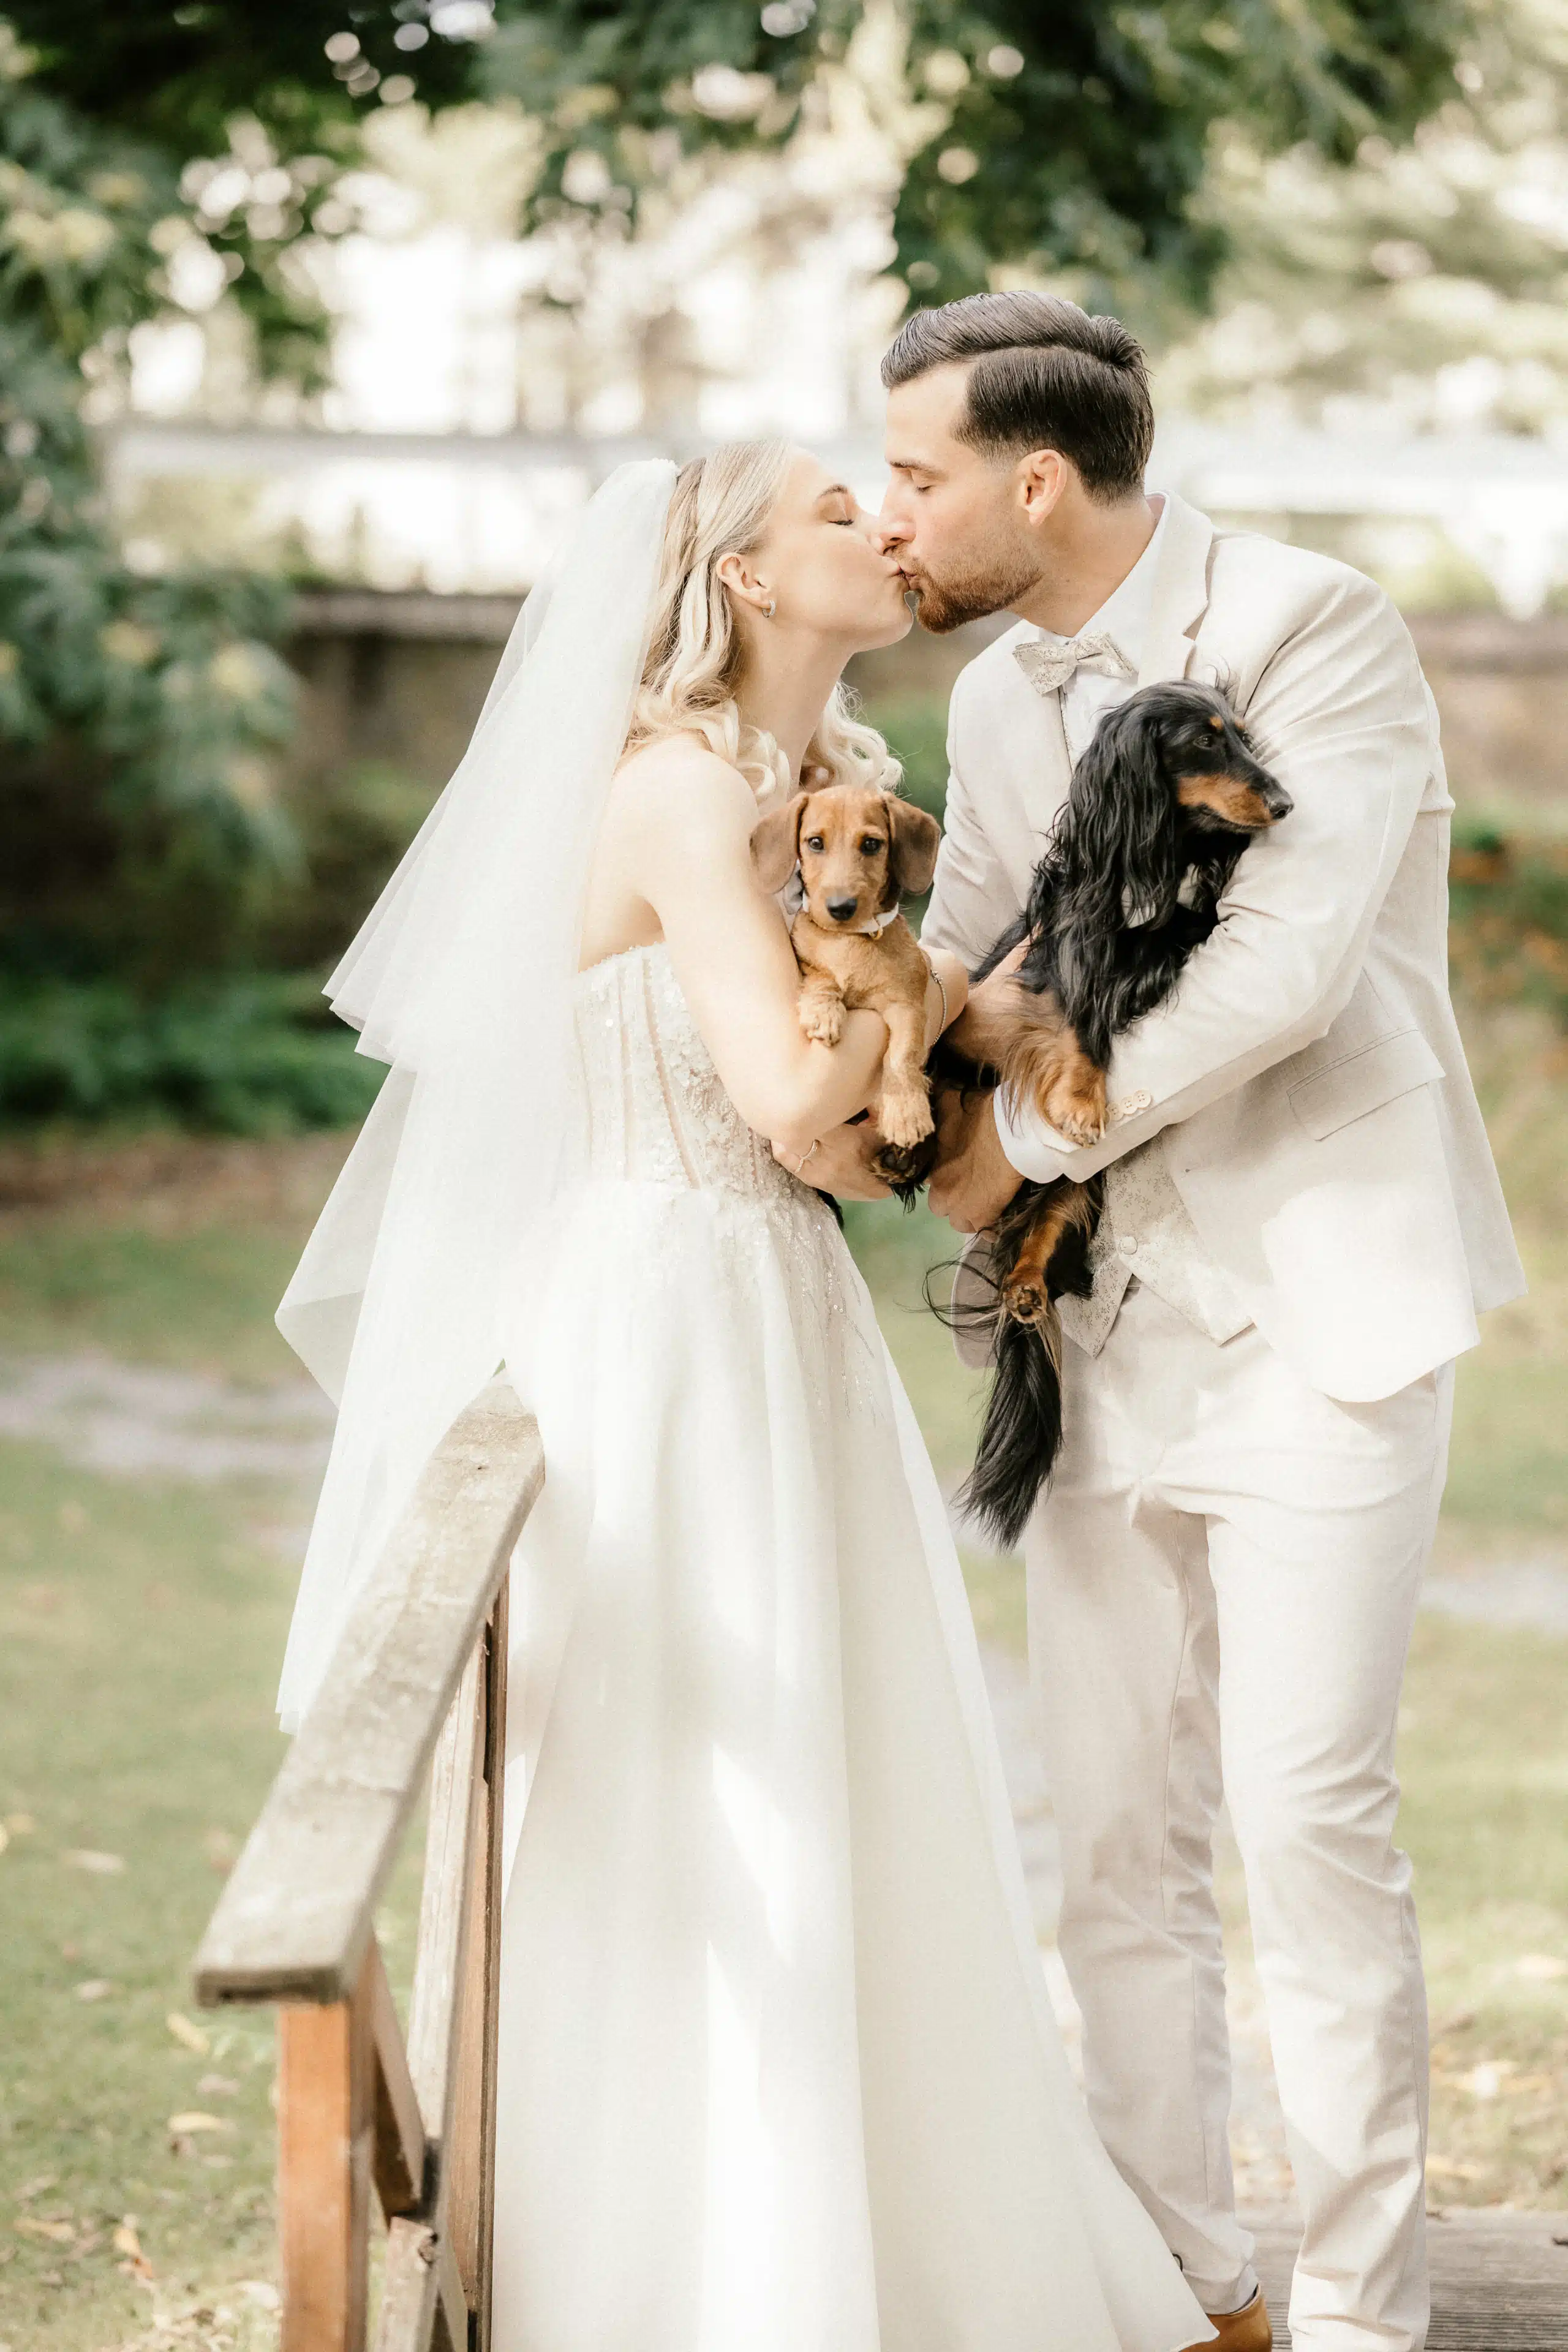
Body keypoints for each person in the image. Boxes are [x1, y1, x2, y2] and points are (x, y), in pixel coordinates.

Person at [274, 443, 1212, 2352]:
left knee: (835, 1756)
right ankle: (662, 2278)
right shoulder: (681, 792)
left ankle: (878, 2254)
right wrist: (935, 1019)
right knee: (696, 1765)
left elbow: (838, 1113)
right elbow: (792, 1104)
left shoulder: (819, 789)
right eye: (833, 510)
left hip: (775, 1309)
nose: (884, 521)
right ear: (748, 580)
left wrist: (936, 1039)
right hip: (663, 1325)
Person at [809, 292, 1520, 2352]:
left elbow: (1284, 974)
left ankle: (1363, 2310)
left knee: (1309, 1825)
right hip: (1093, 1334)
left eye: (918, 476)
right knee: (1117, 1836)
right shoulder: (996, 699)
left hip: (1323, 1309)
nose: (890, 514)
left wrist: (1018, 1143)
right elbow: (961, 951)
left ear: (1035, 481)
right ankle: (1181, 2283)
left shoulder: (1316, 625)